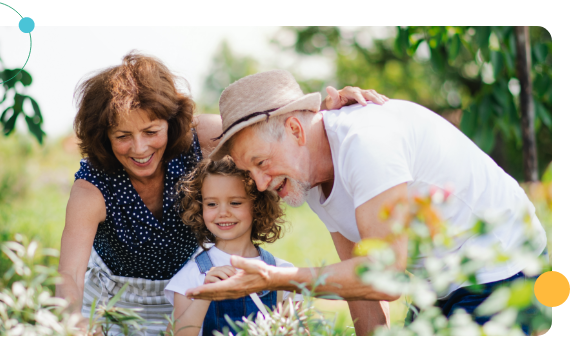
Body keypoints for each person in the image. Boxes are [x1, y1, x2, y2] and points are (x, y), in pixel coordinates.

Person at [185, 69, 548, 336]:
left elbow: (384, 275)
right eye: (251, 172)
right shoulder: (307, 176)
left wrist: (277, 278)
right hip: (439, 282)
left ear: (295, 130)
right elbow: (359, 281)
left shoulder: (365, 144)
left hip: (503, 268)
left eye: (262, 163)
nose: (262, 184)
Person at [56, 52, 388, 335]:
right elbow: (69, 276)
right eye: (122, 136)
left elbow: (271, 129)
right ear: (104, 137)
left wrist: (329, 116)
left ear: (171, 124)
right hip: (117, 304)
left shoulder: (203, 138)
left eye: (151, 131)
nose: (140, 148)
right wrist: (76, 323)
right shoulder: (92, 189)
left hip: (190, 291)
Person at [163, 157, 302, 336]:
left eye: (235, 203)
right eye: (212, 204)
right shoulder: (192, 276)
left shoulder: (282, 272)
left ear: (257, 205)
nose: (223, 213)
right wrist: (204, 297)